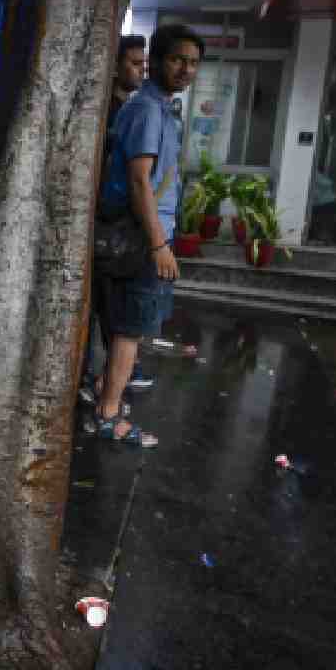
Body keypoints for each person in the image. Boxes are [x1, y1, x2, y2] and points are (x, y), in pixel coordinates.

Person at [93, 24, 204, 447]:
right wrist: (159, 245)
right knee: (128, 330)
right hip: (140, 238)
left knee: (132, 328)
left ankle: (109, 398)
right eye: (177, 59)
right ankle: (108, 415)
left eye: (193, 63)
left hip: (148, 235)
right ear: (157, 60)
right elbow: (140, 181)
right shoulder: (147, 110)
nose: (185, 69)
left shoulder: (160, 109)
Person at [80, 36, 152, 404]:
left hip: (124, 222)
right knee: (101, 302)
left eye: (143, 63)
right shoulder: (104, 109)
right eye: (134, 63)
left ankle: (110, 372)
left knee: (114, 304)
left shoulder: (137, 110)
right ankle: (95, 378)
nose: (142, 69)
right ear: (115, 66)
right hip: (104, 219)